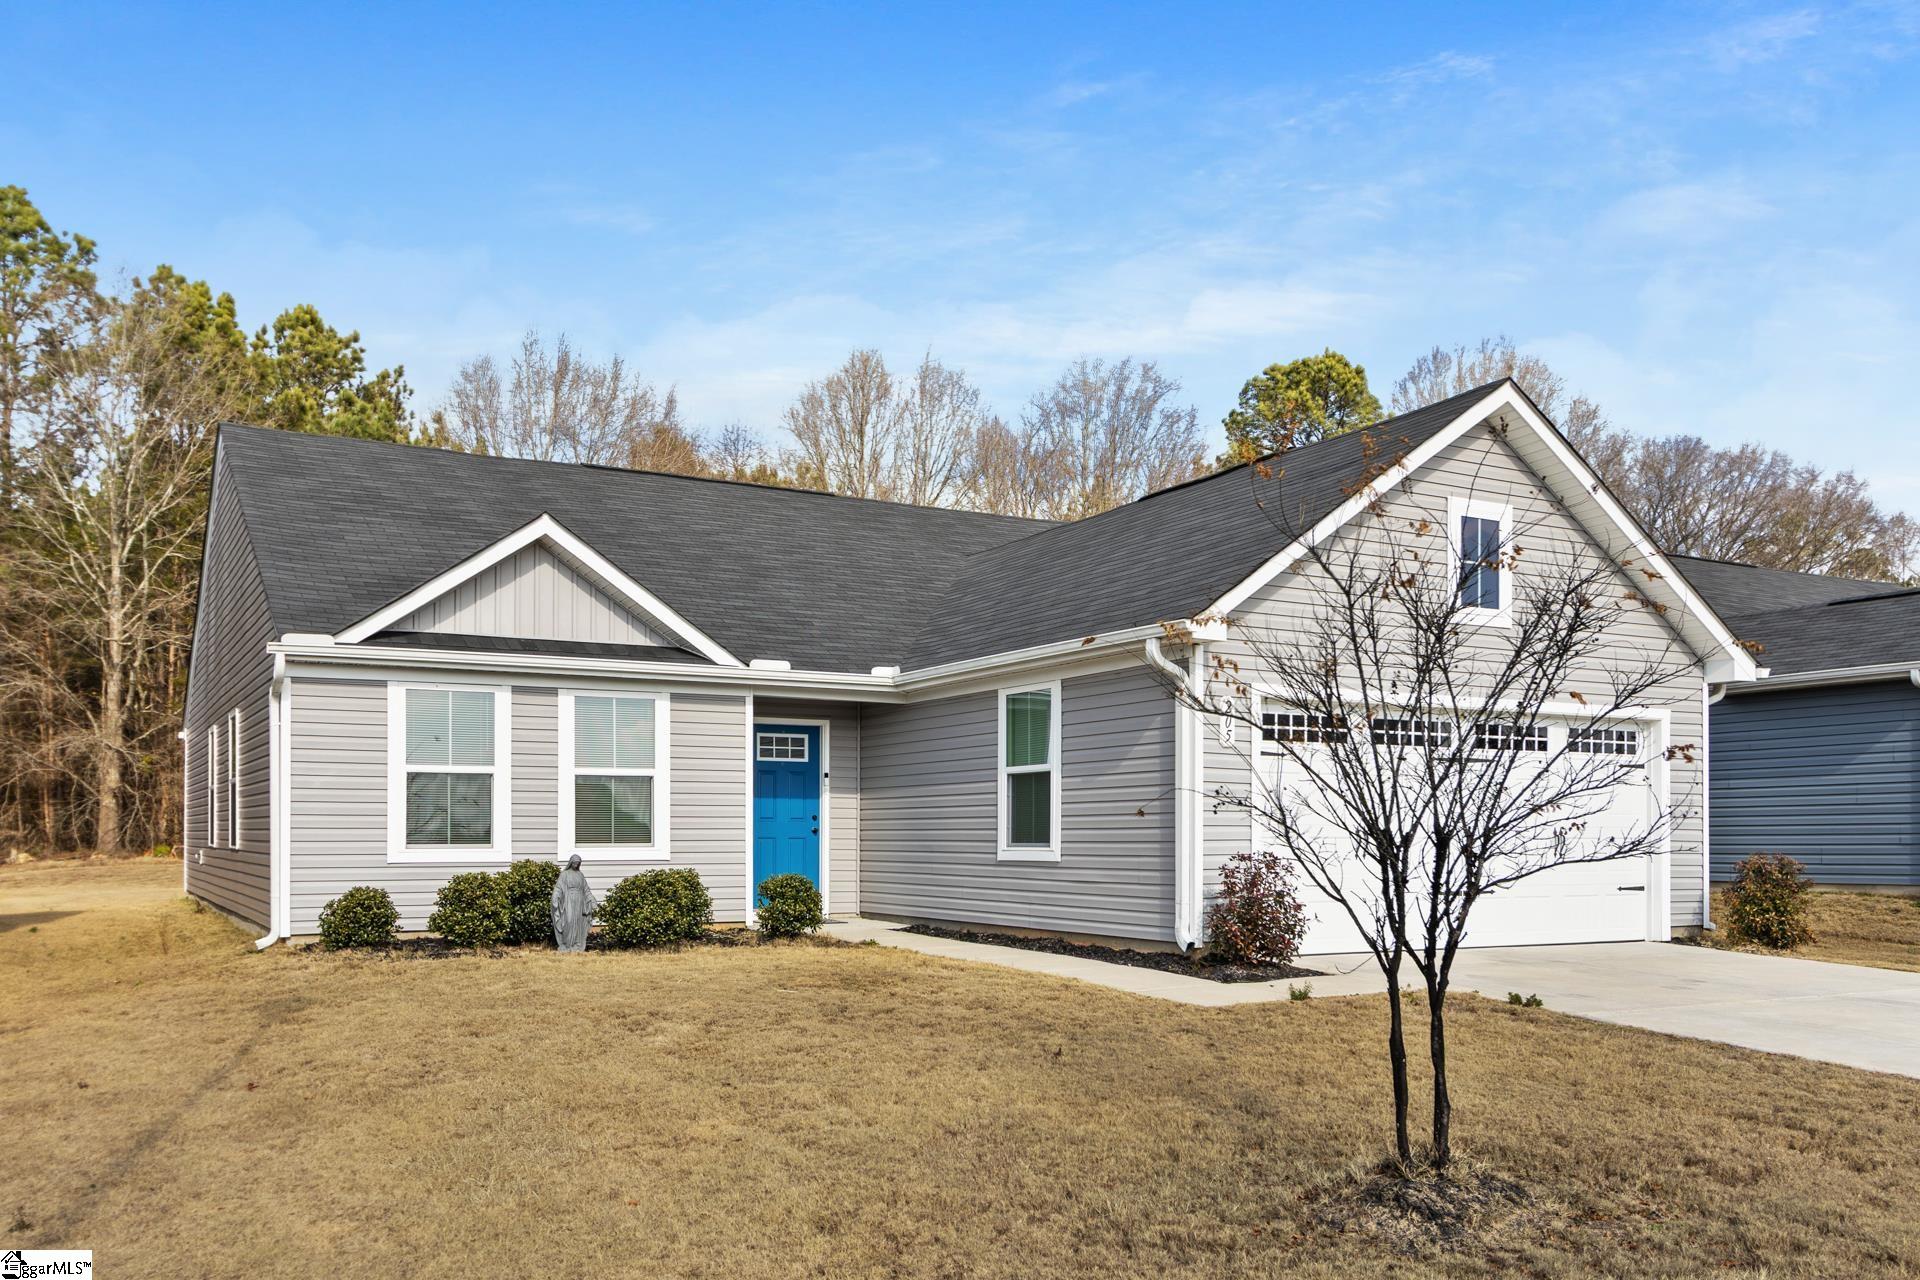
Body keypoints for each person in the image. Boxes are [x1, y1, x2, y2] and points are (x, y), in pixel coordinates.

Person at [550, 853, 596, 952]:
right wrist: (555, 897)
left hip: (579, 902)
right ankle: (566, 945)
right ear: (571, 863)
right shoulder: (564, 874)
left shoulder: (580, 875)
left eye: (578, 863)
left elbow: (586, 890)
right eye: (575, 863)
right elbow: (558, 888)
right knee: (569, 921)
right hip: (568, 900)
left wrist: (592, 900)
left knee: (578, 923)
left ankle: (577, 945)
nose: (576, 865)